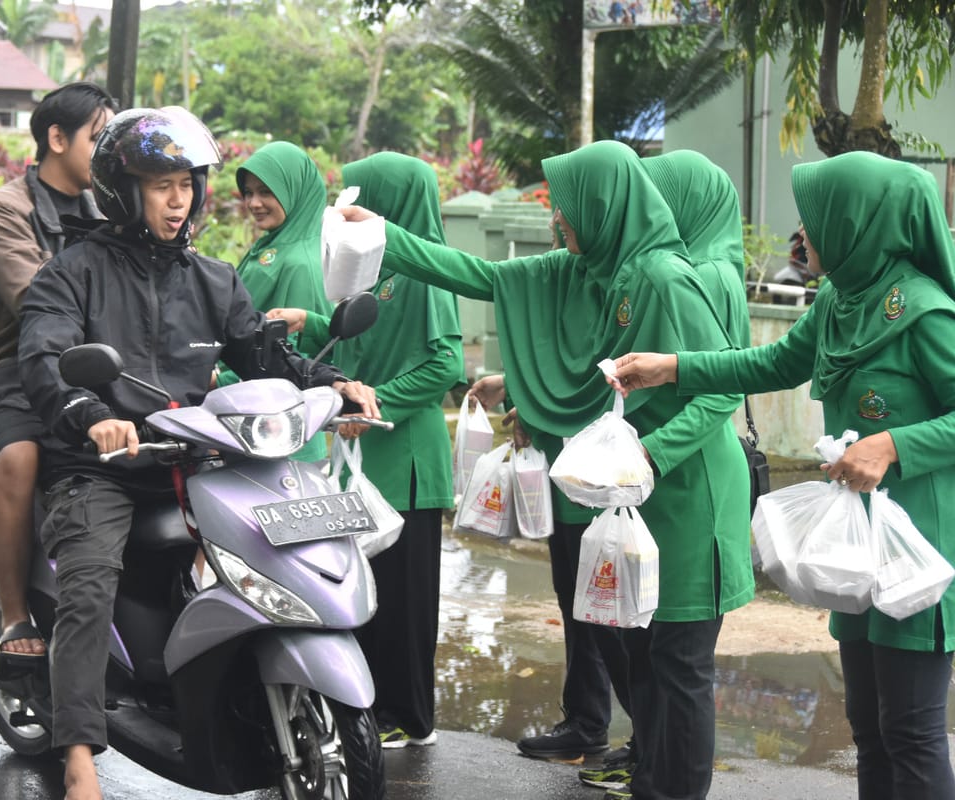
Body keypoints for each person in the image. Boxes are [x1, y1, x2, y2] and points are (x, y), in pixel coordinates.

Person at [341, 139, 754, 800]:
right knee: (648, 662)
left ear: (603, 205)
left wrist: (652, 451)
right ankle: (649, 773)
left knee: (677, 669)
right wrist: (388, 234)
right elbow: (480, 276)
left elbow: (721, 387)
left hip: (685, 494)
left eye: (566, 207)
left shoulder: (664, 278)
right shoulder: (599, 273)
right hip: (636, 494)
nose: (558, 220)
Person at [15, 106, 379, 800]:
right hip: (105, 467)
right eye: (161, 184)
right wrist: (92, 416)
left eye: (187, 182)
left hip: (199, 459)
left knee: (290, 539)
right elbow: (47, 357)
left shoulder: (213, 279)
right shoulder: (73, 273)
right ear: (126, 191)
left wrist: (334, 384)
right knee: (89, 579)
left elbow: (267, 353)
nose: (179, 198)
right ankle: (80, 758)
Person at [611, 150, 955, 800]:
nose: (803, 237)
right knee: (870, 728)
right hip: (862, 546)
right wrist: (673, 367)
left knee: (911, 732)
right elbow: (771, 363)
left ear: (858, 223)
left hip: (923, 549)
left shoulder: (927, 314)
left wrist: (895, 445)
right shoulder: (839, 300)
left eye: (815, 220)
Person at [269, 152, 464, 747]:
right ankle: (371, 707)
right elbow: (365, 332)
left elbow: (446, 360)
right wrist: (316, 320)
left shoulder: (428, 270)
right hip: (363, 448)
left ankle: (410, 715)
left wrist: (379, 400)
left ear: (395, 201)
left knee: (405, 596)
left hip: (404, 453)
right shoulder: (375, 266)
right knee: (366, 588)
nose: (351, 202)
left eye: (365, 193)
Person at [0, 81, 117, 670]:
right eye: (100, 139)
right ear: (56, 138)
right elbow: (36, 301)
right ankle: (14, 614)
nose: (110, 154)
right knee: (19, 455)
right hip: (6, 376)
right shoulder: (4, 211)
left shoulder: (107, 211)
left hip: (90, 371)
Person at [216, 140, 334, 462]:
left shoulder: (298, 261)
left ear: (294, 191)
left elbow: (293, 352)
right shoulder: (273, 246)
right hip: (252, 418)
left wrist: (217, 377)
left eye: (266, 192)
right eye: (249, 192)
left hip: (281, 432)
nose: (254, 203)